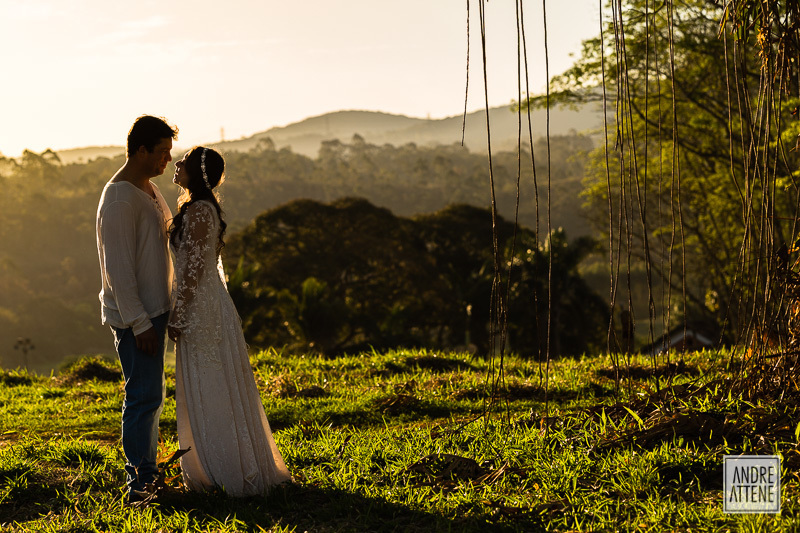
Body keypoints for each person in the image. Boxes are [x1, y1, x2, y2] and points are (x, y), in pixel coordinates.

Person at [168, 146, 291, 495]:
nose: (177, 165)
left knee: (212, 383)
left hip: (201, 310)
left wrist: (179, 313)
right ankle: (209, 466)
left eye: (184, 163)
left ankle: (228, 472)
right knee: (204, 382)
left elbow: (194, 268)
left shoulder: (201, 211)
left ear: (197, 173)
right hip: (202, 305)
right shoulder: (194, 208)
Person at [96, 115, 178, 503]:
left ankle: (148, 472)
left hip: (156, 311)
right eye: (161, 152)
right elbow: (118, 270)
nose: (167, 160)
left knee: (153, 395)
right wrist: (140, 322)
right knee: (143, 396)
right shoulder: (118, 199)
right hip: (137, 318)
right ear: (141, 150)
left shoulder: (148, 189)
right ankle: (140, 483)